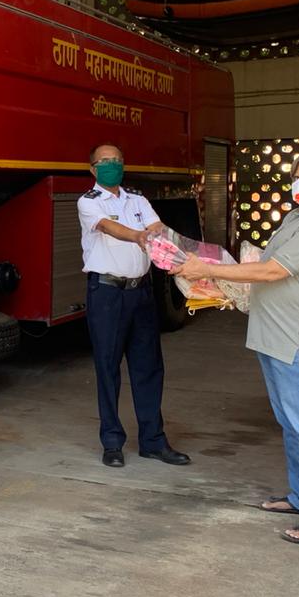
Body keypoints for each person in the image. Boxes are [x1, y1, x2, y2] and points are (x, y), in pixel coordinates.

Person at [176, 150, 299, 546]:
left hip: (297, 337)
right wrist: (225, 282)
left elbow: (273, 270)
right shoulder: (297, 218)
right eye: (298, 177)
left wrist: (208, 269)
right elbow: (265, 263)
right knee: (290, 422)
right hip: (272, 333)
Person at [79, 143, 190, 469]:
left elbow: (157, 227)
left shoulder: (138, 200)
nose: (111, 165)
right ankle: (112, 442)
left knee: (149, 367)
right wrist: (139, 236)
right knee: (108, 368)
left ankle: (153, 441)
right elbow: (107, 227)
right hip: (107, 294)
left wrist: (157, 236)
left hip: (141, 293)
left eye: (117, 160)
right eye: (104, 161)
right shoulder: (88, 202)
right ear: (93, 168)